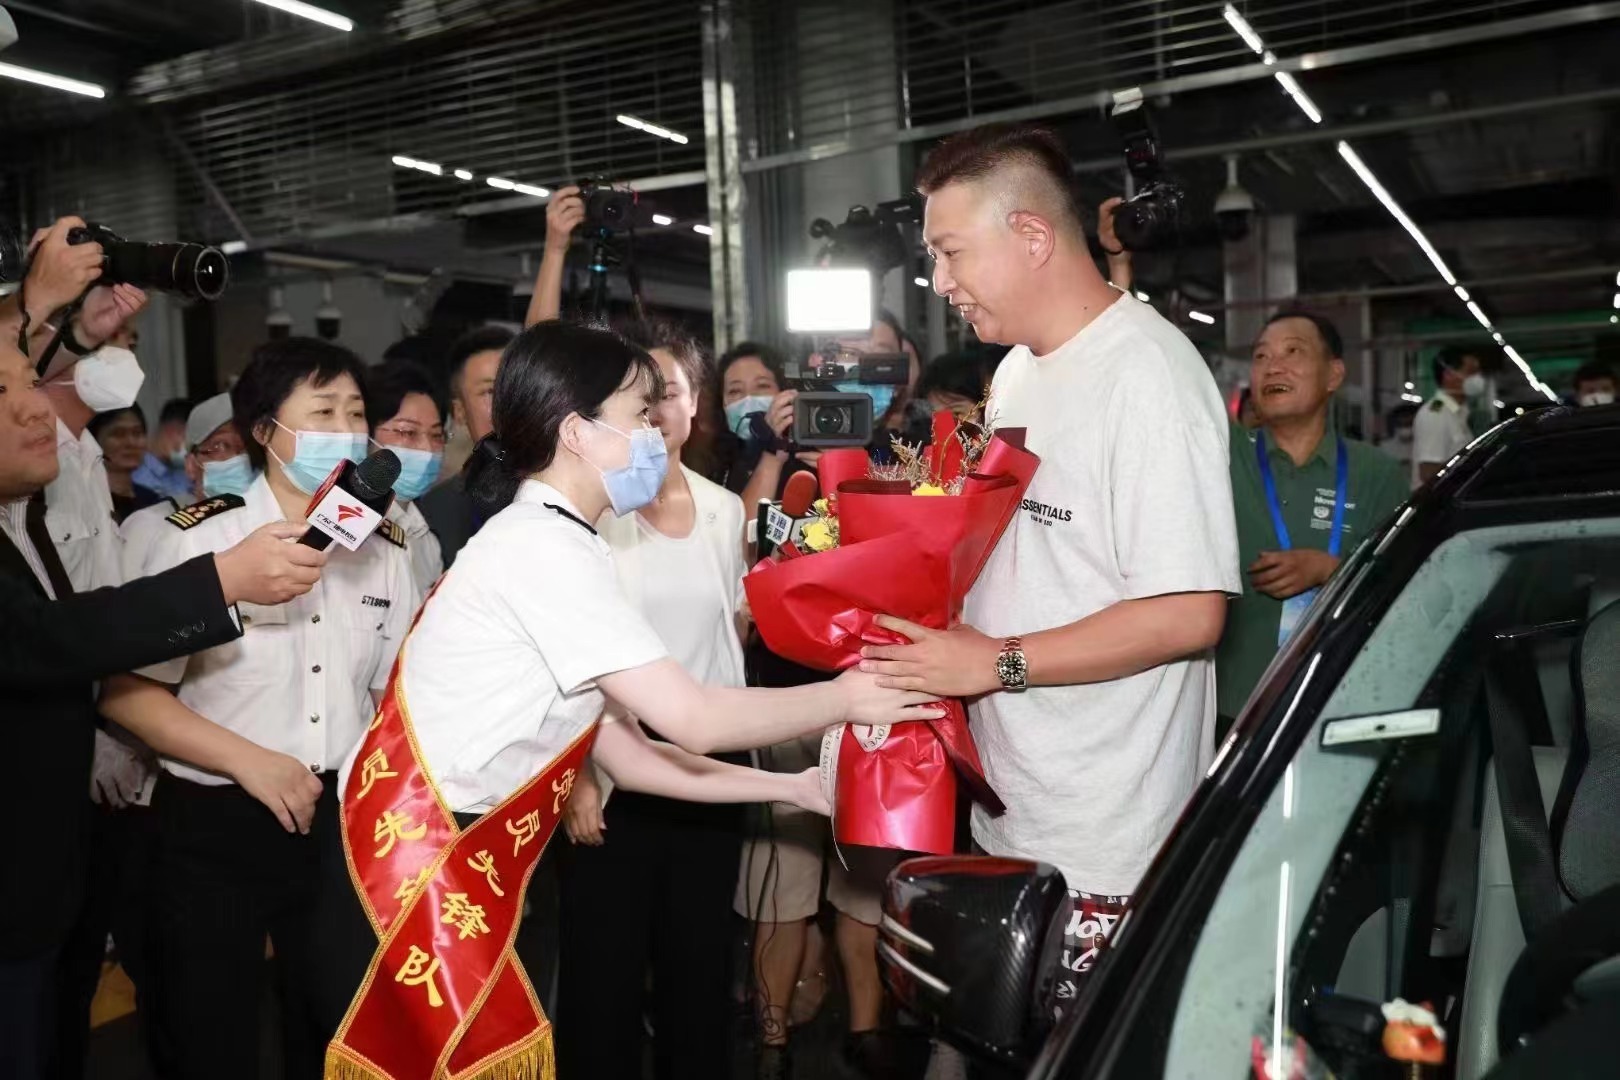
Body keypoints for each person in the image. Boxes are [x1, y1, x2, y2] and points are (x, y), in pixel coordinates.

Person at [310, 321, 940, 1079]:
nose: (656, 430)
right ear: (579, 432)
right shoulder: (544, 549)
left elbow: (635, 757)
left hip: (462, 853)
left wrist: (795, 787)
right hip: (415, 864)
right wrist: (848, 697)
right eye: (641, 413)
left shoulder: (561, 540)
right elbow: (693, 718)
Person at [862, 122, 1240, 1006]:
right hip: (1014, 801)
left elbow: (1190, 612)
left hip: (1107, 839)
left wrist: (993, 662)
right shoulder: (1019, 374)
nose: (939, 282)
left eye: (951, 253)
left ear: (1032, 235)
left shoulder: (1147, 376)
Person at [0, 335, 330, 1080]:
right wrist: (222, 581)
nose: (38, 410)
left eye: (31, 384)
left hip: (50, 874)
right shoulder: (181, 534)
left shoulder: (23, 519)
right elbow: (51, 639)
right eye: (4, 391)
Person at [97, 338, 420, 1080]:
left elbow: (388, 694)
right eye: (323, 412)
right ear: (266, 431)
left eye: (356, 414)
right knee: (211, 1036)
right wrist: (250, 762)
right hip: (215, 823)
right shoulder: (202, 540)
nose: (346, 431)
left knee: (334, 1028)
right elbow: (127, 693)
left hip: (337, 823)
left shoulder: (384, 546)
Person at [553, 319, 752, 1080]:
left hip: (709, 767)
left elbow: (731, 635)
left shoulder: (725, 510)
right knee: (603, 975)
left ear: (696, 402)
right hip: (611, 770)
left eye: (667, 392)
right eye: (637, 399)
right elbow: (566, 661)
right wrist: (576, 773)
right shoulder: (589, 518)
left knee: (699, 971)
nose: (656, 411)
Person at [1214, 312, 1407, 735]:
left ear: (1333, 375)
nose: (1273, 366)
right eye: (1261, 356)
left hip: (1338, 703)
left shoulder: (1376, 473)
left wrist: (1331, 570)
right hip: (1230, 708)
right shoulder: (1224, 455)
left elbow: (1407, 588)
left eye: (1293, 352)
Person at [119, 392, 254, 581]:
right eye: (220, 446)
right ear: (191, 465)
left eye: (248, 448)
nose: (238, 460)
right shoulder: (149, 527)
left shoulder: (269, 524)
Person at [418, 324, 514, 567]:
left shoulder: (571, 491)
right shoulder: (434, 511)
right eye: (490, 391)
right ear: (460, 411)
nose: (508, 401)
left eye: (517, 386)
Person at [366, 362, 448, 594]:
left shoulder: (426, 540)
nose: (427, 449)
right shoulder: (345, 528)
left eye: (436, 435)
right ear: (365, 435)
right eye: (408, 432)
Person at [1412, 346, 1485, 487]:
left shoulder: (1458, 413)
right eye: (1471, 372)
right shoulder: (1435, 414)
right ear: (1448, 375)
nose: (1478, 378)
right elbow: (1428, 472)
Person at [89, 404, 166, 523]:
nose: (131, 442)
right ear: (94, 440)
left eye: (137, 433)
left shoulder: (152, 501)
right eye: (118, 434)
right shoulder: (87, 500)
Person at [132, 397, 196, 501]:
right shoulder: (136, 472)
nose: (191, 447)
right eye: (188, 438)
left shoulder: (183, 473)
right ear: (173, 431)